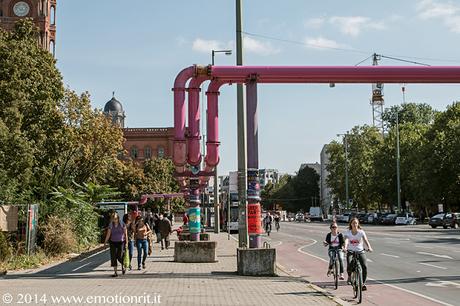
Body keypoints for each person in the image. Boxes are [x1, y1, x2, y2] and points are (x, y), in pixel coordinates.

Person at [344, 217, 373, 291]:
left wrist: (369, 247)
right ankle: (350, 276)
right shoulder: (348, 232)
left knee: (364, 266)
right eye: (353, 223)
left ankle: (363, 283)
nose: (354, 224)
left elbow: (365, 240)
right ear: (351, 224)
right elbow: (346, 240)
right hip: (350, 251)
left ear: (358, 224)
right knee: (349, 264)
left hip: (360, 251)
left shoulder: (361, 232)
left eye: (356, 223)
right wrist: (345, 247)